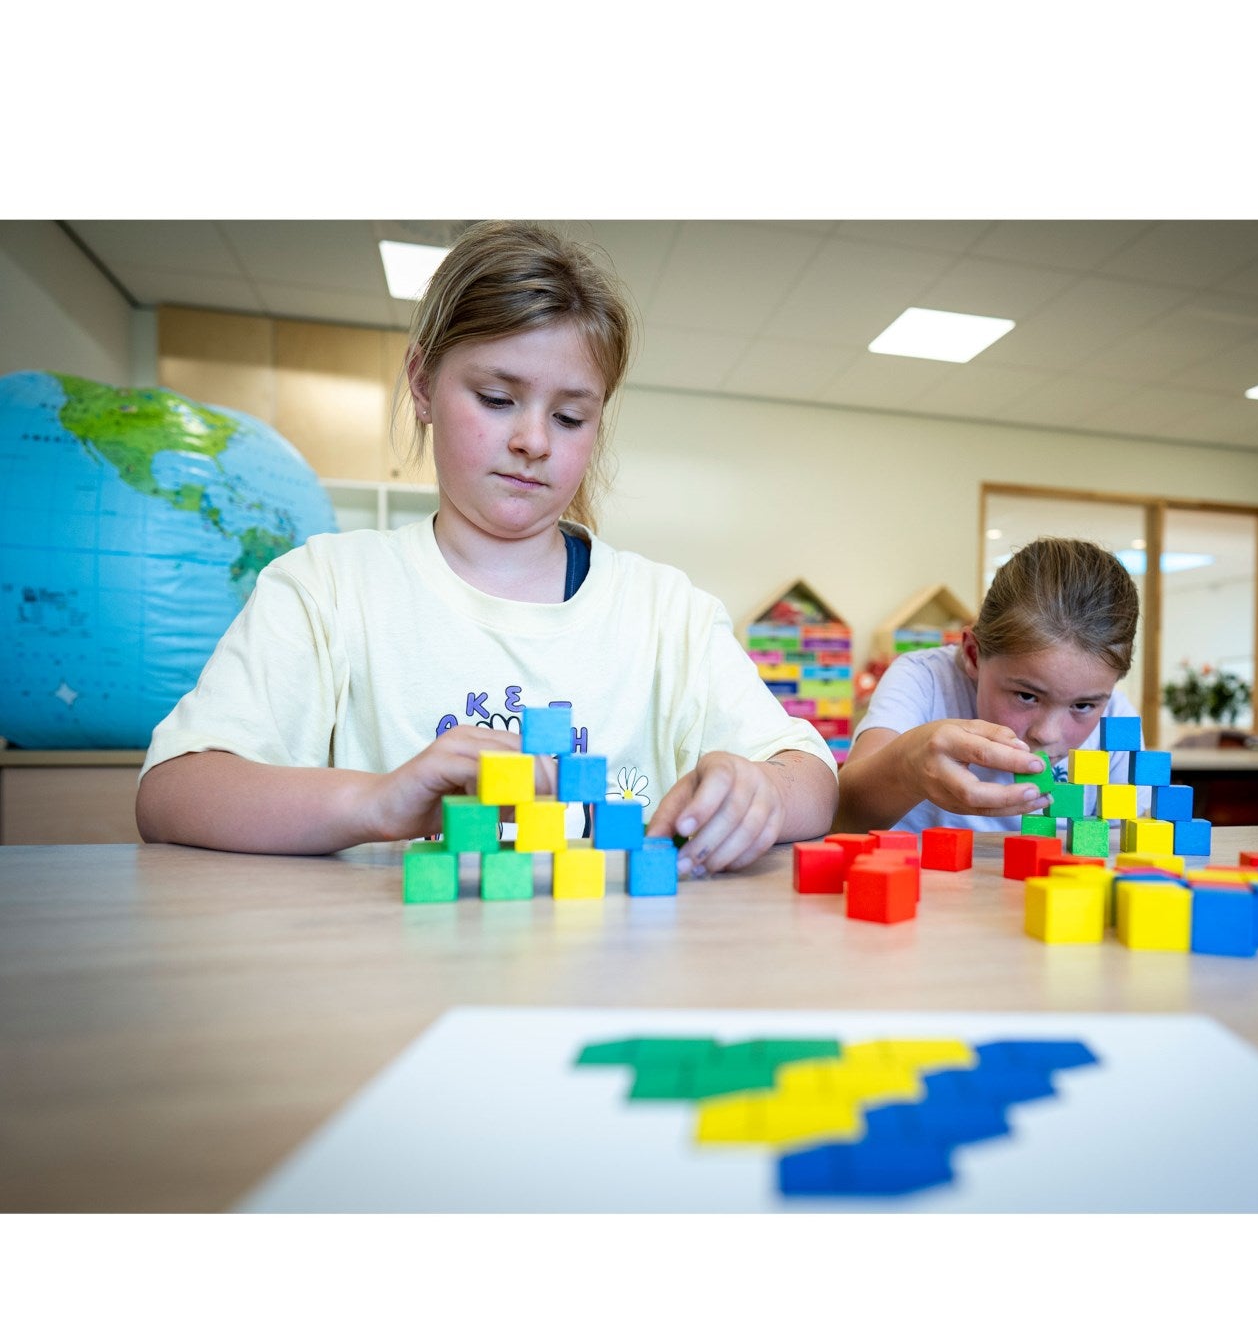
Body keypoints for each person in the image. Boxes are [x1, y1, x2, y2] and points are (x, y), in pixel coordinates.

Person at [136, 221, 837, 875]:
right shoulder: (325, 587)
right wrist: (377, 801)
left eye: (570, 417)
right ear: (422, 385)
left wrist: (758, 790)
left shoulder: (666, 612)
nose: (533, 440)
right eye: (498, 399)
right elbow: (173, 793)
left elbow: (809, 777)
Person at [834, 537, 1141, 835]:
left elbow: (1123, 845)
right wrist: (906, 767)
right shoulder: (923, 679)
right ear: (973, 654)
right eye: (1027, 696)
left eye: (1083, 706)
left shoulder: (1116, 720)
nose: (1047, 734)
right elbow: (842, 813)